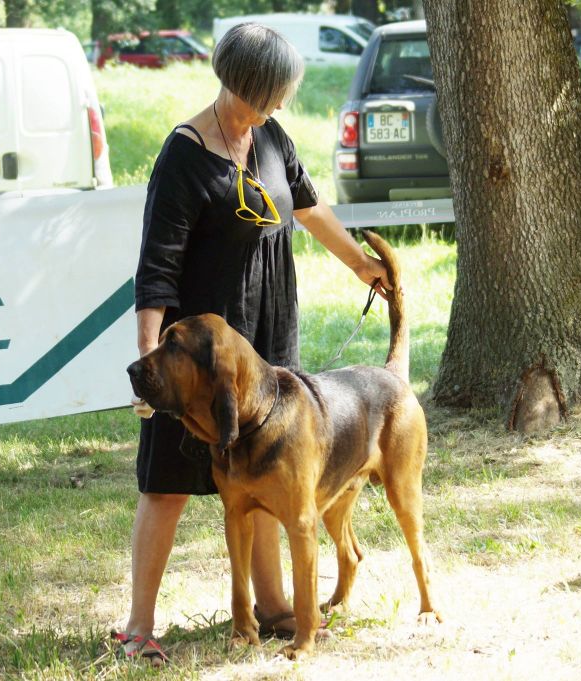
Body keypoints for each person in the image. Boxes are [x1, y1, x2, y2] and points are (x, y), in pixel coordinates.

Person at [114, 22, 390, 665]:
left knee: (269, 470)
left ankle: (272, 606)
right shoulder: (184, 154)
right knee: (168, 481)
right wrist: (151, 365)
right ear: (244, 83)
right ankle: (138, 626)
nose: (281, 104)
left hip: (264, 340)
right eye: (274, 93)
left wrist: (359, 264)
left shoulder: (270, 137)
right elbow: (157, 267)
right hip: (196, 358)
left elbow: (308, 205)